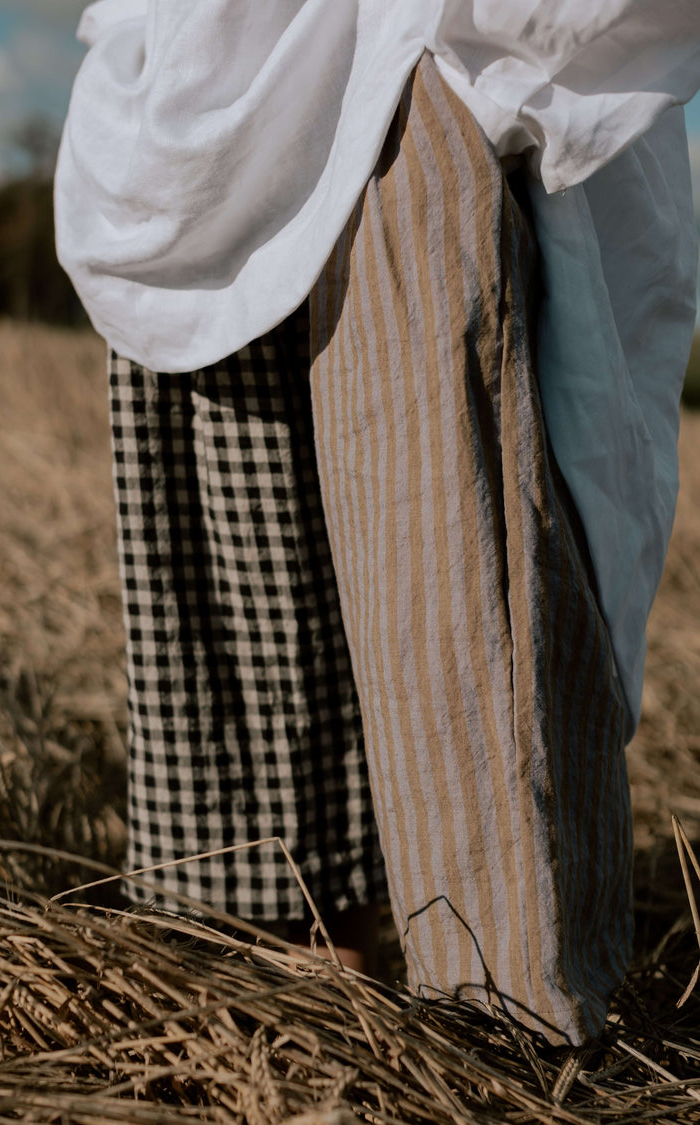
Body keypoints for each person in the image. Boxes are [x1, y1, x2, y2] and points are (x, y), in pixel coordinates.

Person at [55, 1, 700, 1046]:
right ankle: (315, 999)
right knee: (261, 576)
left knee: (457, 590)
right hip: (212, 99)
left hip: (419, 69)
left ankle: (507, 1037)